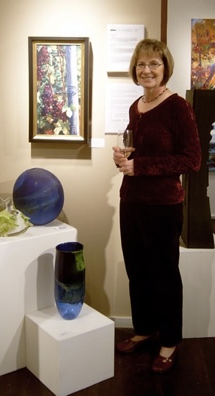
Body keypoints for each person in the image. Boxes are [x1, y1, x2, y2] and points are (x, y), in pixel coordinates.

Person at [112, 39, 201, 374]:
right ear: (134, 69)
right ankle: (145, 329)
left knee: (164, 275)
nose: (146, 70)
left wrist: (142, 166)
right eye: (141, 64)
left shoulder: (178, 107)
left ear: (165, 68)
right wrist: (123, 158)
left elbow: (191, 160)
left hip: (163, 205)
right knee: (138, 271)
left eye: (154, 64)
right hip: (131, 200)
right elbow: (137, 150)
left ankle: (169, 341)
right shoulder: (136, 106)